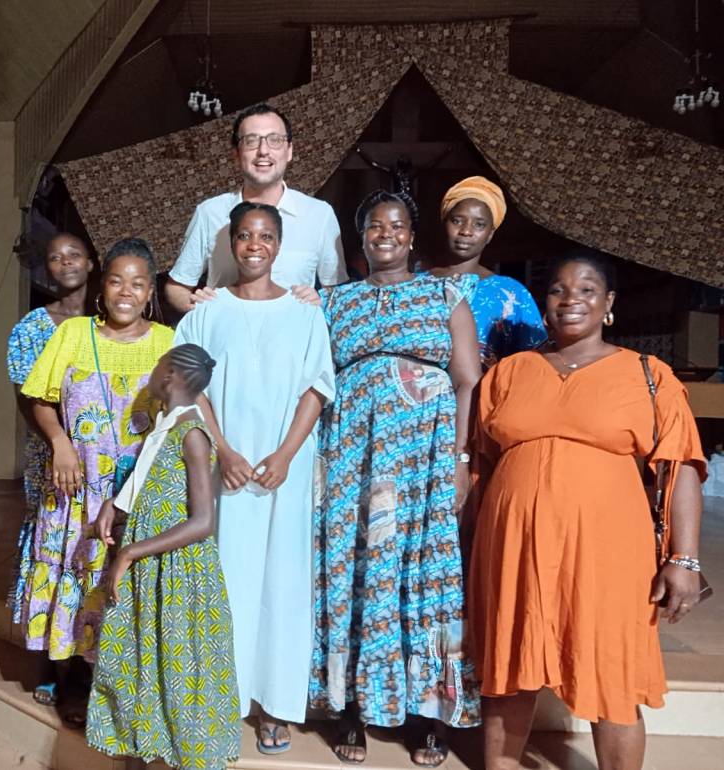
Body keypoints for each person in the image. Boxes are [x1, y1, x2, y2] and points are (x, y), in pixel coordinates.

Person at [468, 252, 707, 770]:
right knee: (509, 669)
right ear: (544, 303)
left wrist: (684, 558)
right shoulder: (508, 373)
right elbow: (480, 468)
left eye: (586, 290)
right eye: (558, 290)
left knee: (612, 672)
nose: (570, 300)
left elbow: (682, 466)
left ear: (609, 303)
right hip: (514, 549)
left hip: (608, 550)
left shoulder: (647, 375)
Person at [309, 190, 482, 766]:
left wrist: (460, 459)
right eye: (375, 226)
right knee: (354, 575)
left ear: (412, 235)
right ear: (360, 239)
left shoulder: (444, 295)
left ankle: (426, 714)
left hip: (423, 464)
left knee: (423, 575)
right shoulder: (335, 301)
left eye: (398, 225)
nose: (386, 234)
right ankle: (350, 707)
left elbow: (466, 380)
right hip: (350, 461)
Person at [175, 202, 335, 755]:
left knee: (282, 584)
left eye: (266, 236)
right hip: (226, 468)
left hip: (283, 469)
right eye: (244, 235)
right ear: (231, 244)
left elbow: (316, 388)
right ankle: (222, 697)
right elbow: (189, 388)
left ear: (279, 245)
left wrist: (287, 454)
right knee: (226, 579)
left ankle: (274, 705)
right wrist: (223, 450)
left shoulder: (304, 313)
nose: (254, 246)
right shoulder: (207, 312)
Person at [19, 237, 173, 726]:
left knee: (122, 585)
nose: (126, 292)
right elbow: (39, 398)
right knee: (75, 575)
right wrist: (59, 443)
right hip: (75, 489)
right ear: (101, 287)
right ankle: (74, 681)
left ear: (150, 292)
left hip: (135, 494)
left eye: (138, 283)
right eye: (116, 281)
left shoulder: (167, 343)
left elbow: (179, 417)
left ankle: (121, 681)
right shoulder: (72, 334)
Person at [87, 344, 241, 770]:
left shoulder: (192, 433)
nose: (151, 373)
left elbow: (203, 521)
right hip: (151, 566)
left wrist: (129, 552)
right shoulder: (165, 424)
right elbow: (148, 480)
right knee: (141, 658)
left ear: (170, 374)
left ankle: (181, 754)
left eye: (157, 366)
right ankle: (141, 748)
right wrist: (115, 505)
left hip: (177, 571)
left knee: (177, 662)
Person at [5, 232, 94, 707]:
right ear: (47, 269)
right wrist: (60, 444)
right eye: (56, 258)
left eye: (74, 255)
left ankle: (86, 655)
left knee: (89, 552)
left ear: (91, 262)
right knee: (53, 551)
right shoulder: (31, 327)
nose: (66, 263)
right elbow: (27, 399)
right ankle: (48, 657)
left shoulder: (107, 320)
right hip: (51, 454)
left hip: (101, 459)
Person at [164, 103, 347, 314]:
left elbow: (336, 291)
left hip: (292, 332)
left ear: (289, 151)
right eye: (251, 141)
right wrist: (201, 311)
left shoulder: (319, 214)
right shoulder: (209, 212)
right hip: (226, 332)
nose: (263, 151)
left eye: (275, 140)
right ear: (236, 153)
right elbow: (176, 287)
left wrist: (320, 302)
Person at [421, 176, 546, 369]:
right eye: (457, 221)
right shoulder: (416, 285)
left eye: (479, 224)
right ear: (444, 223)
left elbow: (533, 363)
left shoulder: (511, 293)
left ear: (490, 234)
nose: (466, 231)